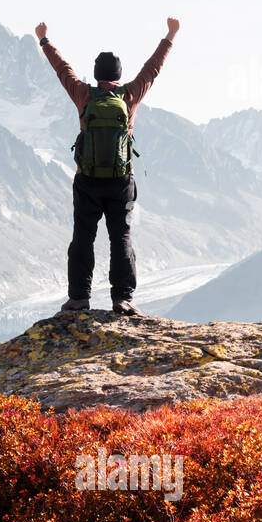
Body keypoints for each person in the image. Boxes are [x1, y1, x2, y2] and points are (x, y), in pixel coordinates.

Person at [35, 17, 179, 316]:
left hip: (86, 181)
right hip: (120, 182)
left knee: (83, 238)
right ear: (118, 75)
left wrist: (45, 40)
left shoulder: (84, 95)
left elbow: (63, 70)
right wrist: (170, 36)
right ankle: (123, 299)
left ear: (97, 74)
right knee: (121, 238)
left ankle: (78, 299)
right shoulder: (129, 96)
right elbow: (152, 69)